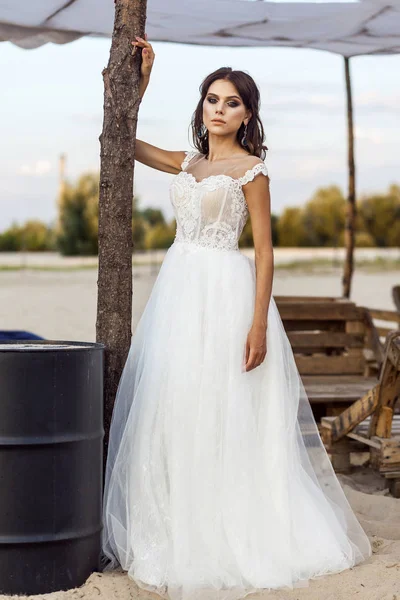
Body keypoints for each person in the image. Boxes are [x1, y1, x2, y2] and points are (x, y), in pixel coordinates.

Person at [100, 34, 372, 600]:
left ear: (248, 115)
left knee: (224, 410)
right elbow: (120, 141)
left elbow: (266, 252)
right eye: (211, 99)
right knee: (175, 406)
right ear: (202, 107)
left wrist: (256, 326)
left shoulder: (253, 171)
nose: (218, 109)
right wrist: (142, 83)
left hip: (226, 294)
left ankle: (231, 525)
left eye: (231, 102)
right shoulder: (187, 162)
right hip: (178, 296)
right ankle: (178, 524)